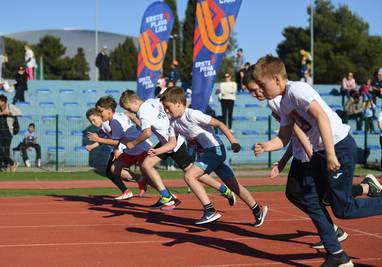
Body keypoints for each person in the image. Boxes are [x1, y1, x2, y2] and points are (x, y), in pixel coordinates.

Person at [252, 55, 382, 267]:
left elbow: (321, 117)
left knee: (343, 209)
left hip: (338, 146)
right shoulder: (283, 103)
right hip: (322, 152)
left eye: (261, 84)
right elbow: (284, 137)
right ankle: (337, 255)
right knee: (310, 198)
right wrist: (267, 146)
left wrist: (330, 154)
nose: (259, 89)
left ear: (276, 79)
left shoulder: (297, 90)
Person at [156, 88, 268, 227]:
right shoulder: (173, 123)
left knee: (190, 176)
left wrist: (233, 142)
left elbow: (219, 123)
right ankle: (258, 210)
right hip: (208, 154)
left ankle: (210, 210)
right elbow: (172, 143)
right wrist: (156, 151)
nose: (166, 110)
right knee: (233, 186)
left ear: (178, 103)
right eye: (165, 108)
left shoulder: (193, 115)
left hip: (215, 150)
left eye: (168, 107)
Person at [119, 90, 236, 218]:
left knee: (192, 173)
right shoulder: (151, 102)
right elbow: (157, 114)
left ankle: (223, 190)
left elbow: (147, 132)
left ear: (135, 102)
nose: (131, 111)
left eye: (130, 108)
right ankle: (166, 196)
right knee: (147, 165)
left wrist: (132, 144)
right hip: (167, 142)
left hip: (174, 143)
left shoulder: (142, 112)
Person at [88, 96, 151, 200]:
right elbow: (116, 136)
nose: (93, 123)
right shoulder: (109, 122)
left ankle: (165, 193)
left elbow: (116, 140)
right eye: (91, 122)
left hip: (137, 148)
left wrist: (117, 150)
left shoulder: (108, 124)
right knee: (113, 170)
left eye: (94, 119)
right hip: (131, 149)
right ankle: (137, 183)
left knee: (149, 174)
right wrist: (93, 145)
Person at [0, 94, 21, 171]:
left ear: (3, 102)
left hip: (8, 133)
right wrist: (0, 114)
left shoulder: (10, 106)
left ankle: (8, 166)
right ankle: (13, 163)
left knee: (6, 151)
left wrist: (9, 113)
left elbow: (20, 112)